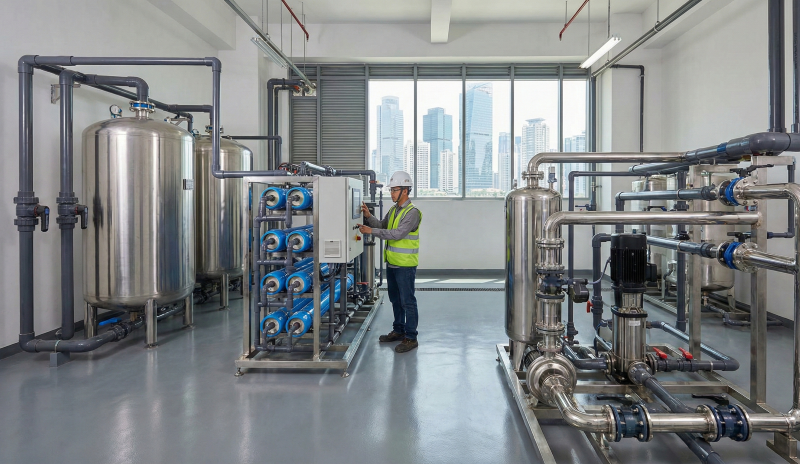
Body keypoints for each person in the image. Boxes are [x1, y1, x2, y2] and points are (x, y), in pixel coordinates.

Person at [358, 171, 422, 353]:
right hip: (392, 263)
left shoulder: (413, 213)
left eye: (395, 190)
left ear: (405, 191)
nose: (392, 194)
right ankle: (399, 330)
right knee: (395, 299)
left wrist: (370, 231)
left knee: (407, 301)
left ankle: (411, 337)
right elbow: (382, 226)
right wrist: (369, 216)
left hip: (405, 264)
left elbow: (397, 234)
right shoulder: (394, 210)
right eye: (392, 190)